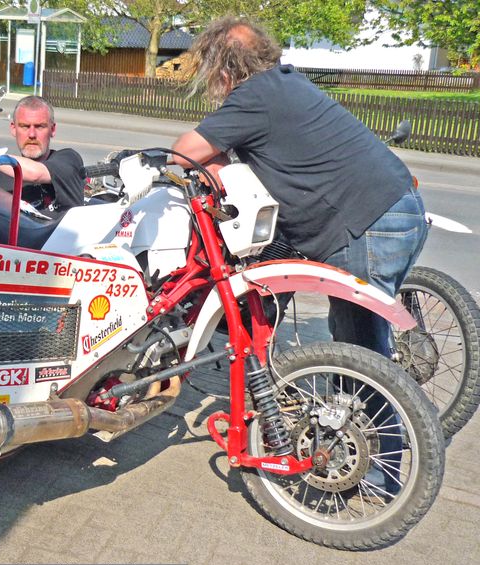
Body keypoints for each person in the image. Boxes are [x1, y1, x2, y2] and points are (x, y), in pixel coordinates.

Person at [172, 16, 428, 497]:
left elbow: (183, 154)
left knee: (359, 355)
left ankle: (382, 473)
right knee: (285, 272)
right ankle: (275, 387)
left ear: (224, 68)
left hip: (366, 225)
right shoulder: (288, 83)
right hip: (401, 207)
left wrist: (216, 161)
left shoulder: (253, 96)